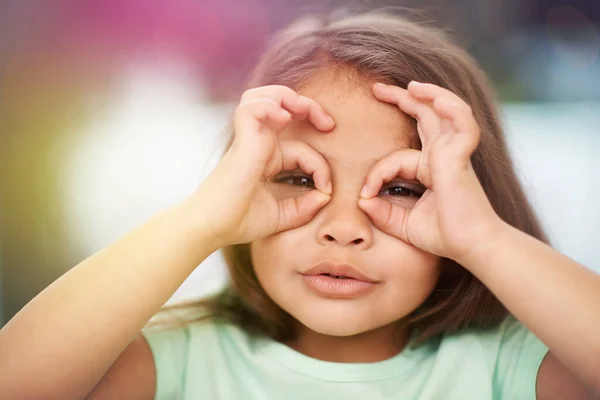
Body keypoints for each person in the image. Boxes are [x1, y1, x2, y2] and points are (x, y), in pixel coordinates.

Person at [1, 8, 599, 400]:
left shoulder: (510, 370)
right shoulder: (176, 361)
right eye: (297, 177)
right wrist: (197, 222)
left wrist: (484, 238)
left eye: (400, 188)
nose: (343, 229)